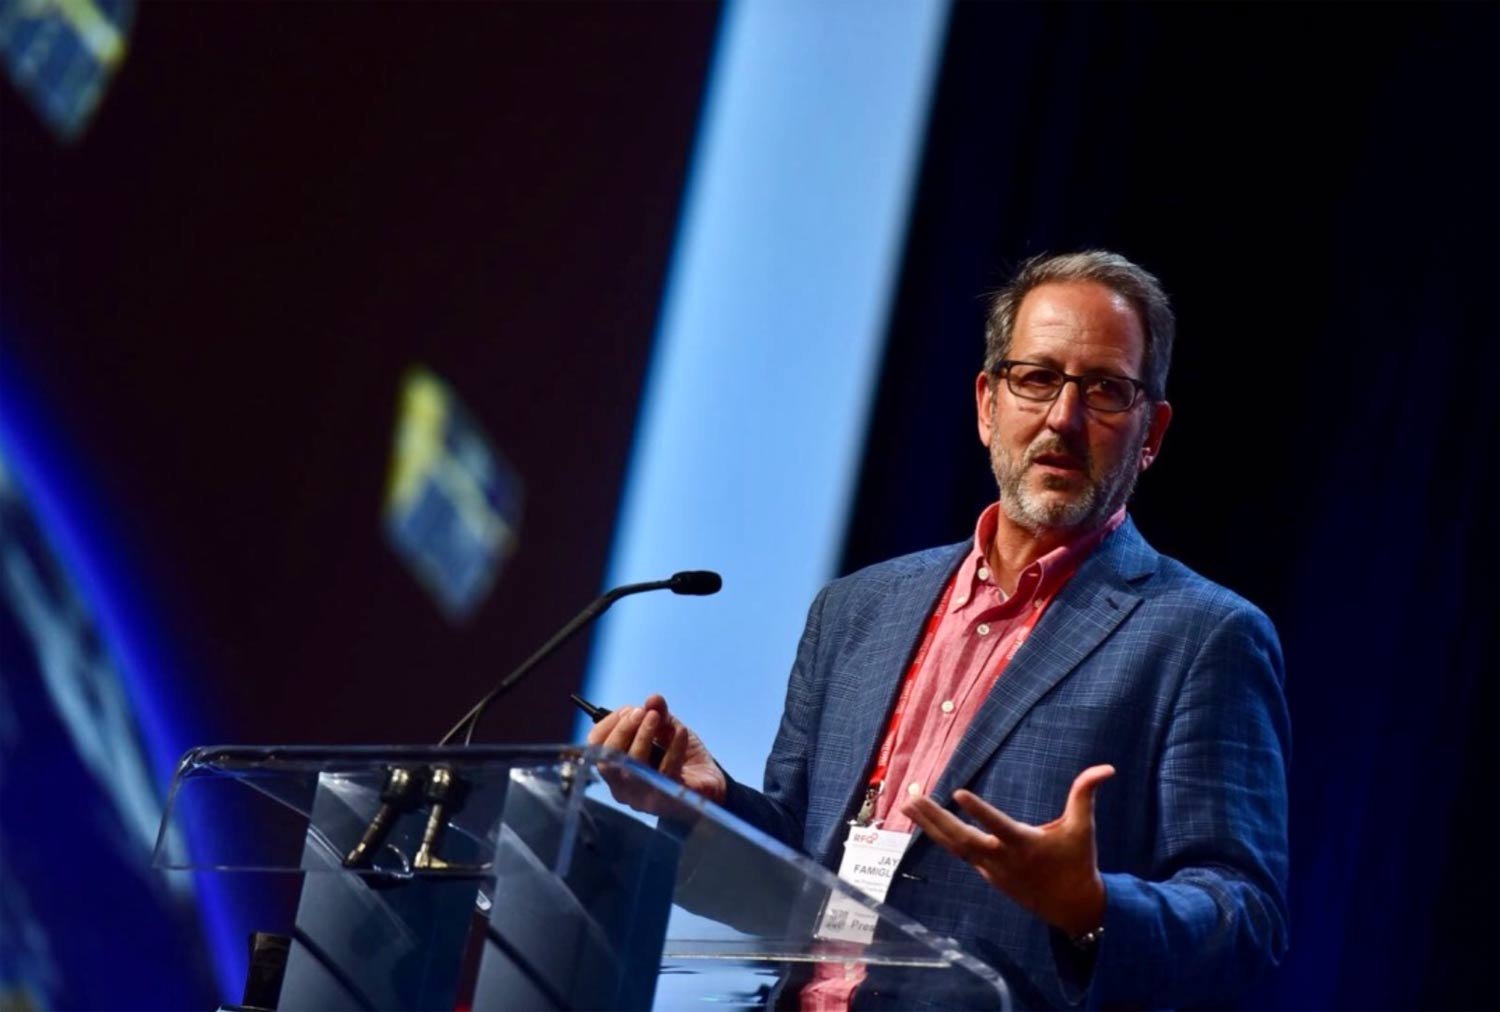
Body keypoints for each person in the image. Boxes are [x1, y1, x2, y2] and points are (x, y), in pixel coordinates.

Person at [589, 251, 1290, 1009]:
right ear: (989, 403)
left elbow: (1244, 920)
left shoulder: (1203, 636)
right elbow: (796, 873)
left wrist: (1090, 906)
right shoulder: (857, 610)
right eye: (1037, 378)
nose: (1064, 416)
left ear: (1151, 432)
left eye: (1107, 391)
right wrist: (708, 803)